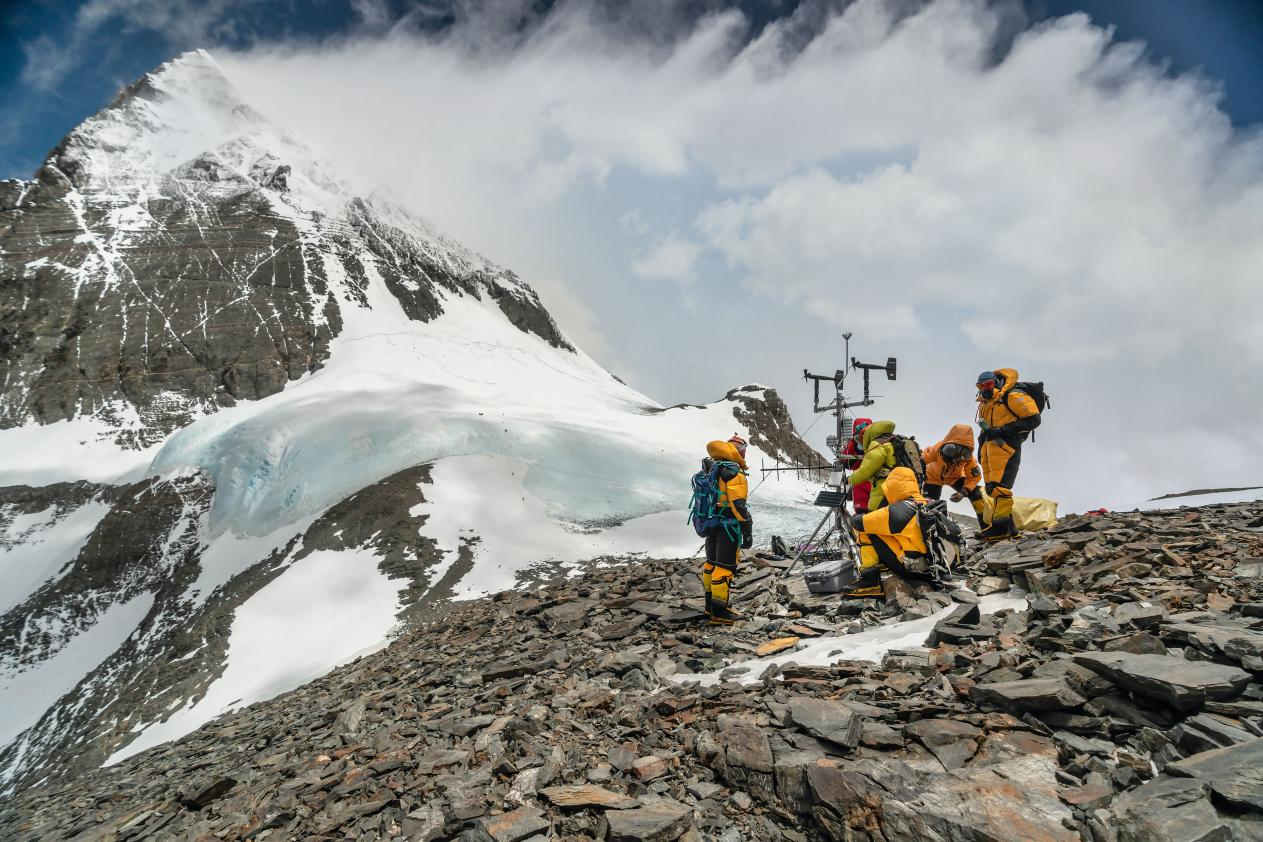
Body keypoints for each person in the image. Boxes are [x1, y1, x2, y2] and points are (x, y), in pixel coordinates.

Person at [842, 467, 928, 599]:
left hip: (913, 569)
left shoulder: (898, 511)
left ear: (893, 487)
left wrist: (856, 517)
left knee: (866, 530)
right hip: (931, 566)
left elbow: (859, 523)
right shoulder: (925, 502)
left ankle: (870, 581)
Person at [975, 368, 1042, 541]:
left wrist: (1002, 431)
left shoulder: (1011, 396)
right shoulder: (985, 403)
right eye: (980, 385)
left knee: (1000, 487)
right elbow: (986, 429)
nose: (984, 388)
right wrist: (981, 449)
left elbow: (1034, 419)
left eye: (988, 384)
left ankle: (999, 529)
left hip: (1007, 447)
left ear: (996, 382)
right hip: (990, 450)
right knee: (992, 488)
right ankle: (1011, 530)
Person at [701, 434, 752, 624]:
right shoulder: (733, 472)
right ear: (739, 451)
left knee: (711, 566)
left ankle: (709, 608)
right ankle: (720, 612)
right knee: (724, 569)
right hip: (728, 527)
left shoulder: (712, 468)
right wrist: (747, 529)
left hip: (712, 524)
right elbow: (738, 505)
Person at [922, 424, 987, 528]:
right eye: (950, 450)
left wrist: (963, 492)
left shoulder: (969, 459)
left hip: (954, 478)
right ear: (945, 445)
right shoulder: (937, 449)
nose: (956, 457)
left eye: (965, 453)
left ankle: (987, 528)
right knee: (928, 504)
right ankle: (931, 531)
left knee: (977, 494)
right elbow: (922, 459)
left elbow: (974, 477)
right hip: (932, 477)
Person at [845, 419, 897, 510]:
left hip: (877, 489)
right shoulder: (891, 441)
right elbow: (847, 462)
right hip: (891, 491)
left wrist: (848, 480)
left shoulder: (876, 444)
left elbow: (864, 471)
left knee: (869, 519)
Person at [837, 418, 874, 514]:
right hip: (865, 486)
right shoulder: (853, 443)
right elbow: (846, 462)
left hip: (865, 486)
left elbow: (846, 462)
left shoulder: (876, 443)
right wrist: (857, 448)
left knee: (867, 517)